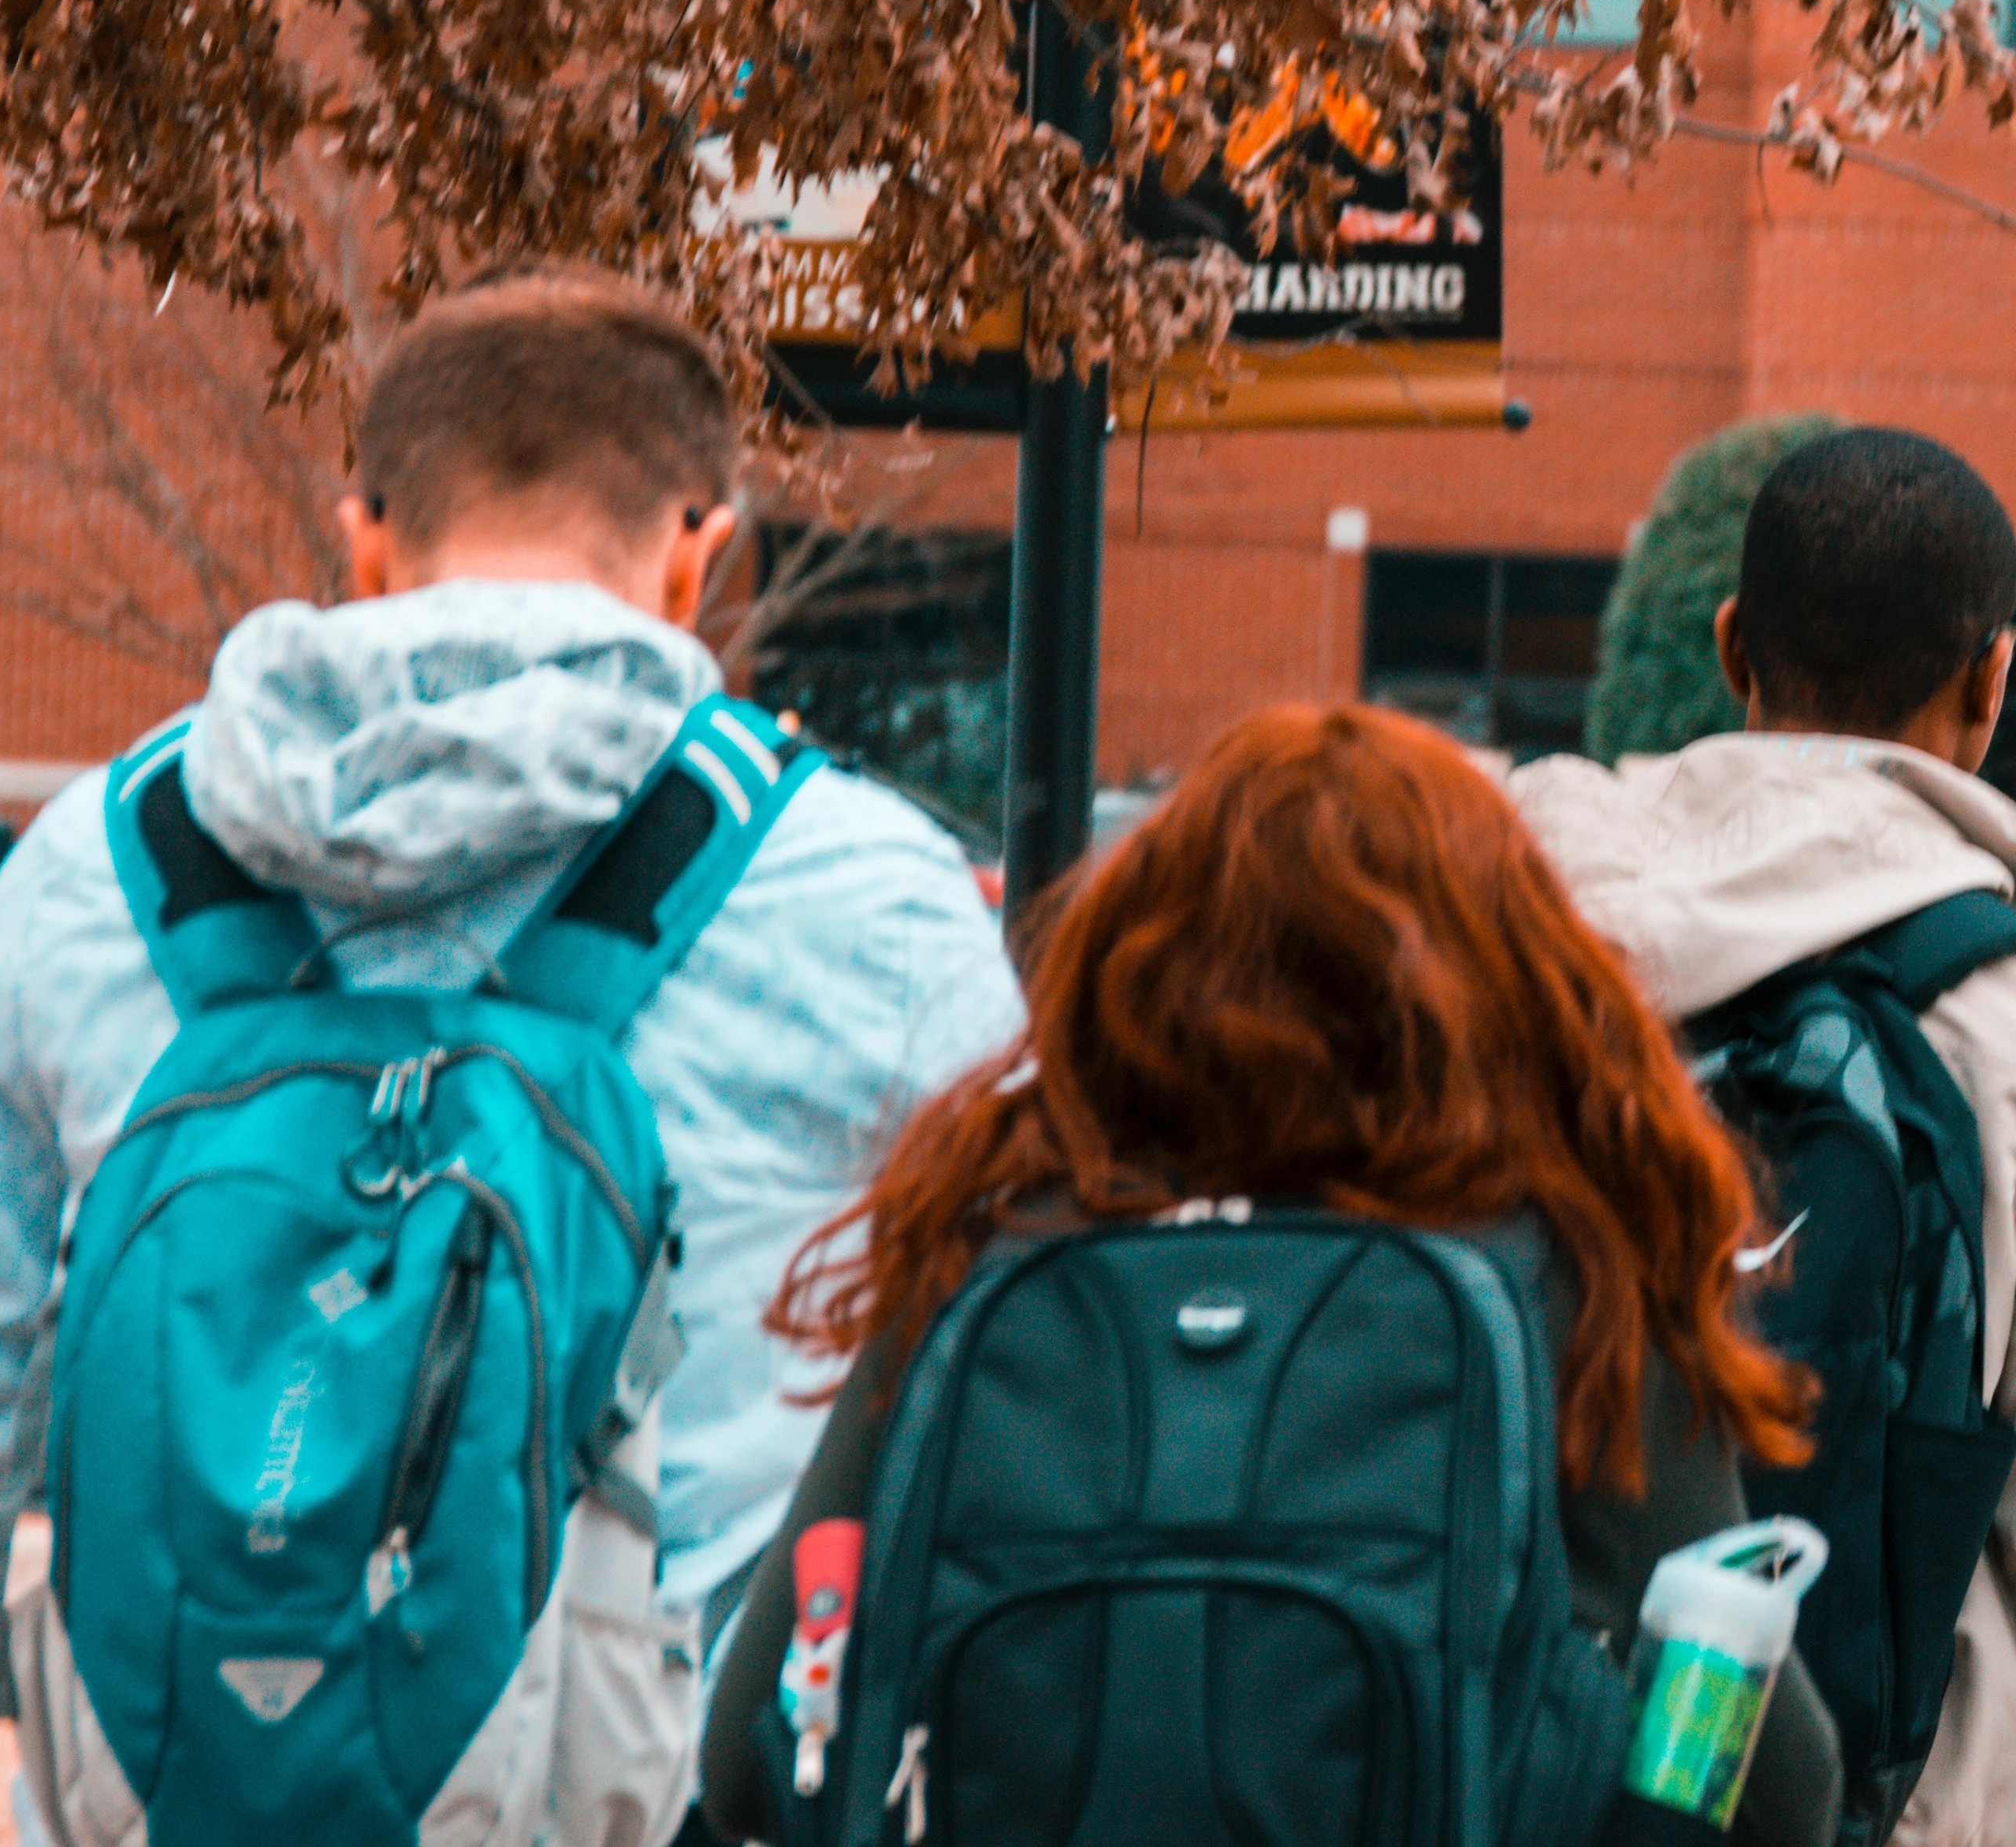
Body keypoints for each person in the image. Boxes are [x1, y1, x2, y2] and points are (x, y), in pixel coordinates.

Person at [0, 269, 1024, 1824]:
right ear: (702, 549)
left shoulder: (93, 864)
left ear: (363, 533)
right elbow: (990, 1394)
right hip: (655, 1790)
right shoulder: (871, 895)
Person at [697, 704, 1839, 1846]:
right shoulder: (1570, 1266)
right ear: (1506, 974)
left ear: (1129, 958)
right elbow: (1780, 1780)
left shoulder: (988, 1246)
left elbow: (753, 1745)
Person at [1512, 427, 2016, 1847]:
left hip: (1530, 1768)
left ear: (1730, 647)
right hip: (1886, 1796)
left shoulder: (1514, 953)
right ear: (1992, 678)